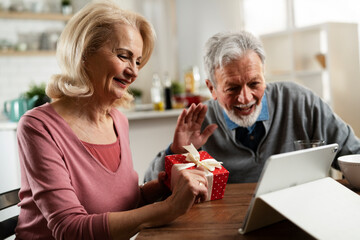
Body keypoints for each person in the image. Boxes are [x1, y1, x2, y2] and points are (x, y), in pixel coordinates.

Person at [15, 1, 208, 239]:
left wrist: (158, 190)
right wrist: (167, 208)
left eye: (137, 61)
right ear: (84, 54)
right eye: (123, 56)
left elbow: (119, 205)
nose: (134, 71)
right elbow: (69, 229)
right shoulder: (38, 126)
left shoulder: (117, 120)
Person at [144, 30, 360, 184]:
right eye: (232, 88)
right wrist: (177, 153)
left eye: (254, 83)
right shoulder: (199, 122)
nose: (245, 97)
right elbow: (150, 184)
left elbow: (354, 154)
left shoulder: (300, 101)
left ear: (264, 76)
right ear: (212, 88)